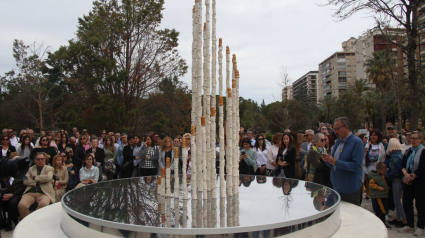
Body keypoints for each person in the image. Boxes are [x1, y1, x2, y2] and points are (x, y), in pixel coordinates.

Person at [322, 117, 364, 206]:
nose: (335, 132)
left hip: (349, 190)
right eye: (334, 129)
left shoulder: (357, 142)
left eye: (337, 129)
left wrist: (335, 162)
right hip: (336, 188)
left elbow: (356, 166)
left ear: (346, 127)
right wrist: (327, 160)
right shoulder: (338, 142)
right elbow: (334, 165)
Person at [398, 131, 425, 236]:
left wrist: (411, 177)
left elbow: (423, 168)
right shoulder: (408, 151)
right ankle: (409, 224)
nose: (412, 140)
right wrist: (405, 174)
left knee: (420, 205)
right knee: (407, 203)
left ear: (421, 140)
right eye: (411, 138)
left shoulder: (423, 151)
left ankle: (420, 226)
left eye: (415, 138)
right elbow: (403, 164)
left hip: (420, 182)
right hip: (407, 181)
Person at [18, 152, 55, 219]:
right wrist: (37, 182)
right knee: (22, 205)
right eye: (38, 159)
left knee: (44, 204)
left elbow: (48, 177)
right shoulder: (30, 169)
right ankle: (26, 222)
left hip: (44, 193)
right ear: (34, 160)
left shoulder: (49, 168)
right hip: (30, 192)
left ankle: (34, 220)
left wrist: (34, 177)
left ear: (45, 160)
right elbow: (25, 181)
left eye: (42, 159)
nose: (40, 161)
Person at [385, 138, 407, 228]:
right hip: (395, 179)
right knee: (396, 200)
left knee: (397, 200)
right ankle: (398, 218)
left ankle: (404, 219)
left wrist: (388, 174)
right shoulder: (396, 154)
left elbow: (399, 169)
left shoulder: (396, 156)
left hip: (396, 179)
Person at [1, 155, 26, 231]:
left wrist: (12, 195)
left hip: (18, 194)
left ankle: (9, 223)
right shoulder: (7, 171)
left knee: (12, 203)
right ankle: (2, 221)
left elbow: (23, 187)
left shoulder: (22, 172)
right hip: (8, 192)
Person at [364, 129, 387, 200]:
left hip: (379, 168)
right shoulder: (367, 145)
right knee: (372, 187)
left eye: (374, 135)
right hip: (369, 168)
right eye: (371, 135)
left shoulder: (384, 145)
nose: (372, 137)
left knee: (380, 186)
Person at [368, 162, 391, 229]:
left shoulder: (381, 176)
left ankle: (379, 221)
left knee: (381, 208)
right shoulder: (375, 177)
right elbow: (371, 184)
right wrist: (378, 187)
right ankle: (382, 222)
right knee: (382, 209)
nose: (385, 172)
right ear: (379, 171)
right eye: (384, 171)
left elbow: (383, 183)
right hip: (379, 196)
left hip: (383, 195)